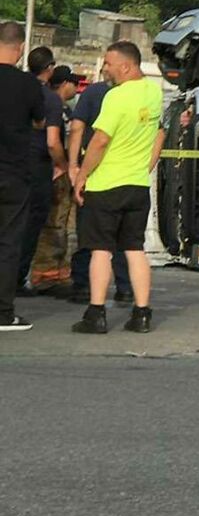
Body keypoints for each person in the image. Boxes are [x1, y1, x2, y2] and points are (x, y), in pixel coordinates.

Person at [72, 41, 164, 335]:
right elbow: (159, 134)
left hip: (106, 184)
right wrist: (145, 167)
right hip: (136, 185)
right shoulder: (153, 93)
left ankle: (96, 313)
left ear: (126, 66)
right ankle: (142, 313)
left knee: (101, 250)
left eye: (109, 64)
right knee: (135, 249)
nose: (105, 69)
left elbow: (99, 140)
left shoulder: (116, 97)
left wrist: (82, 175)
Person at [67, 70, 133, 305]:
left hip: (95, 171)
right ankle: (125, 287)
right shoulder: (138, 95)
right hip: (127, 174)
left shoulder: (94, 92)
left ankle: (84, 285)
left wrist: (74, 167)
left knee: (90, 233)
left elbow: (77, 128)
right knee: (125, 236)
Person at [0, 22, 45, 332]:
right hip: (13, 172)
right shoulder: (28, 84)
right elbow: (41, 122)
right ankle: (3, 312)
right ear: (19, 49)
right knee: (8, 243)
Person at [17, 46, 67, 297]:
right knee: (31, 225)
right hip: (38, 167)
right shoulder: (51, 100)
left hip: (13, 163)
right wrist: (63, 164)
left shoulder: (17, 89)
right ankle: (17, 278)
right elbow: (52, 141)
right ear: (50, 69)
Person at [31, 66, 84, 295]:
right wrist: (62, 166)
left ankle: (60, 272)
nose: (76, 87)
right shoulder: (54, 105)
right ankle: (46, 274)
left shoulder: (62, 108)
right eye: (74, 83)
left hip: (59, 171)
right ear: (64, 84)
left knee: (63, 226)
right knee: (53, 224)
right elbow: (53, 142)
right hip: (55, 172)